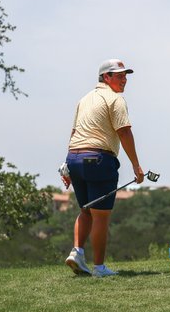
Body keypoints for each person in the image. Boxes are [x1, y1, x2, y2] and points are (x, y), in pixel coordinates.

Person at [62, 58, 145, 277]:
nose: (124, 79)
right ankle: (99, 267)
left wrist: (66, 166)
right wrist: (136, 165)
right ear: (106, 77)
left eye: (125, 75)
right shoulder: (115, 99)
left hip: (74, 158)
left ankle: (77, 252)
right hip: (98, 159)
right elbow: (124, 132)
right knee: (101, 215)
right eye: (119, 75)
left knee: (86, 209)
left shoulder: (84, 99)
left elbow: (74, 134)